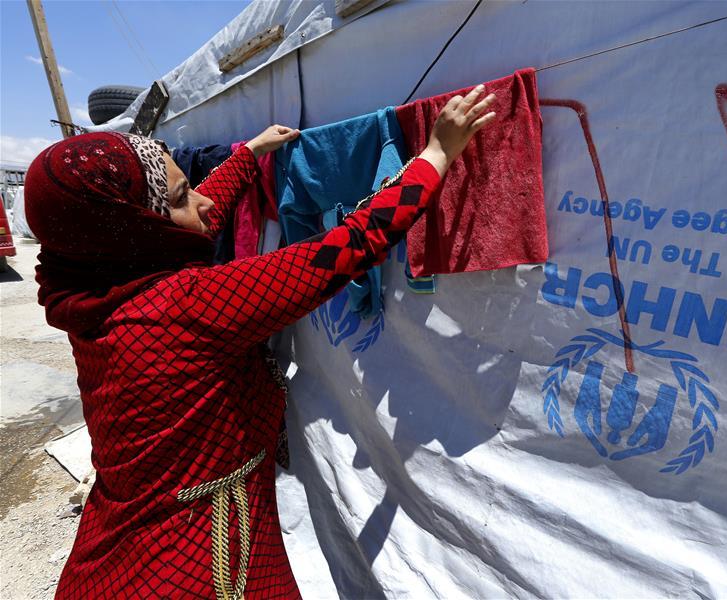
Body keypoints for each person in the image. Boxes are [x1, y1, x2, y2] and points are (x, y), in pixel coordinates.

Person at [25, 86, 496, 599]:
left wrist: (249, 154)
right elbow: (346, 247)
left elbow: (203, 212)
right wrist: (436, 153)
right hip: (196, 567)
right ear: (135, 226)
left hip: (112, 553)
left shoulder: (94, 291)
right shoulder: (186, 305)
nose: (202, 201)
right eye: (182, 196)